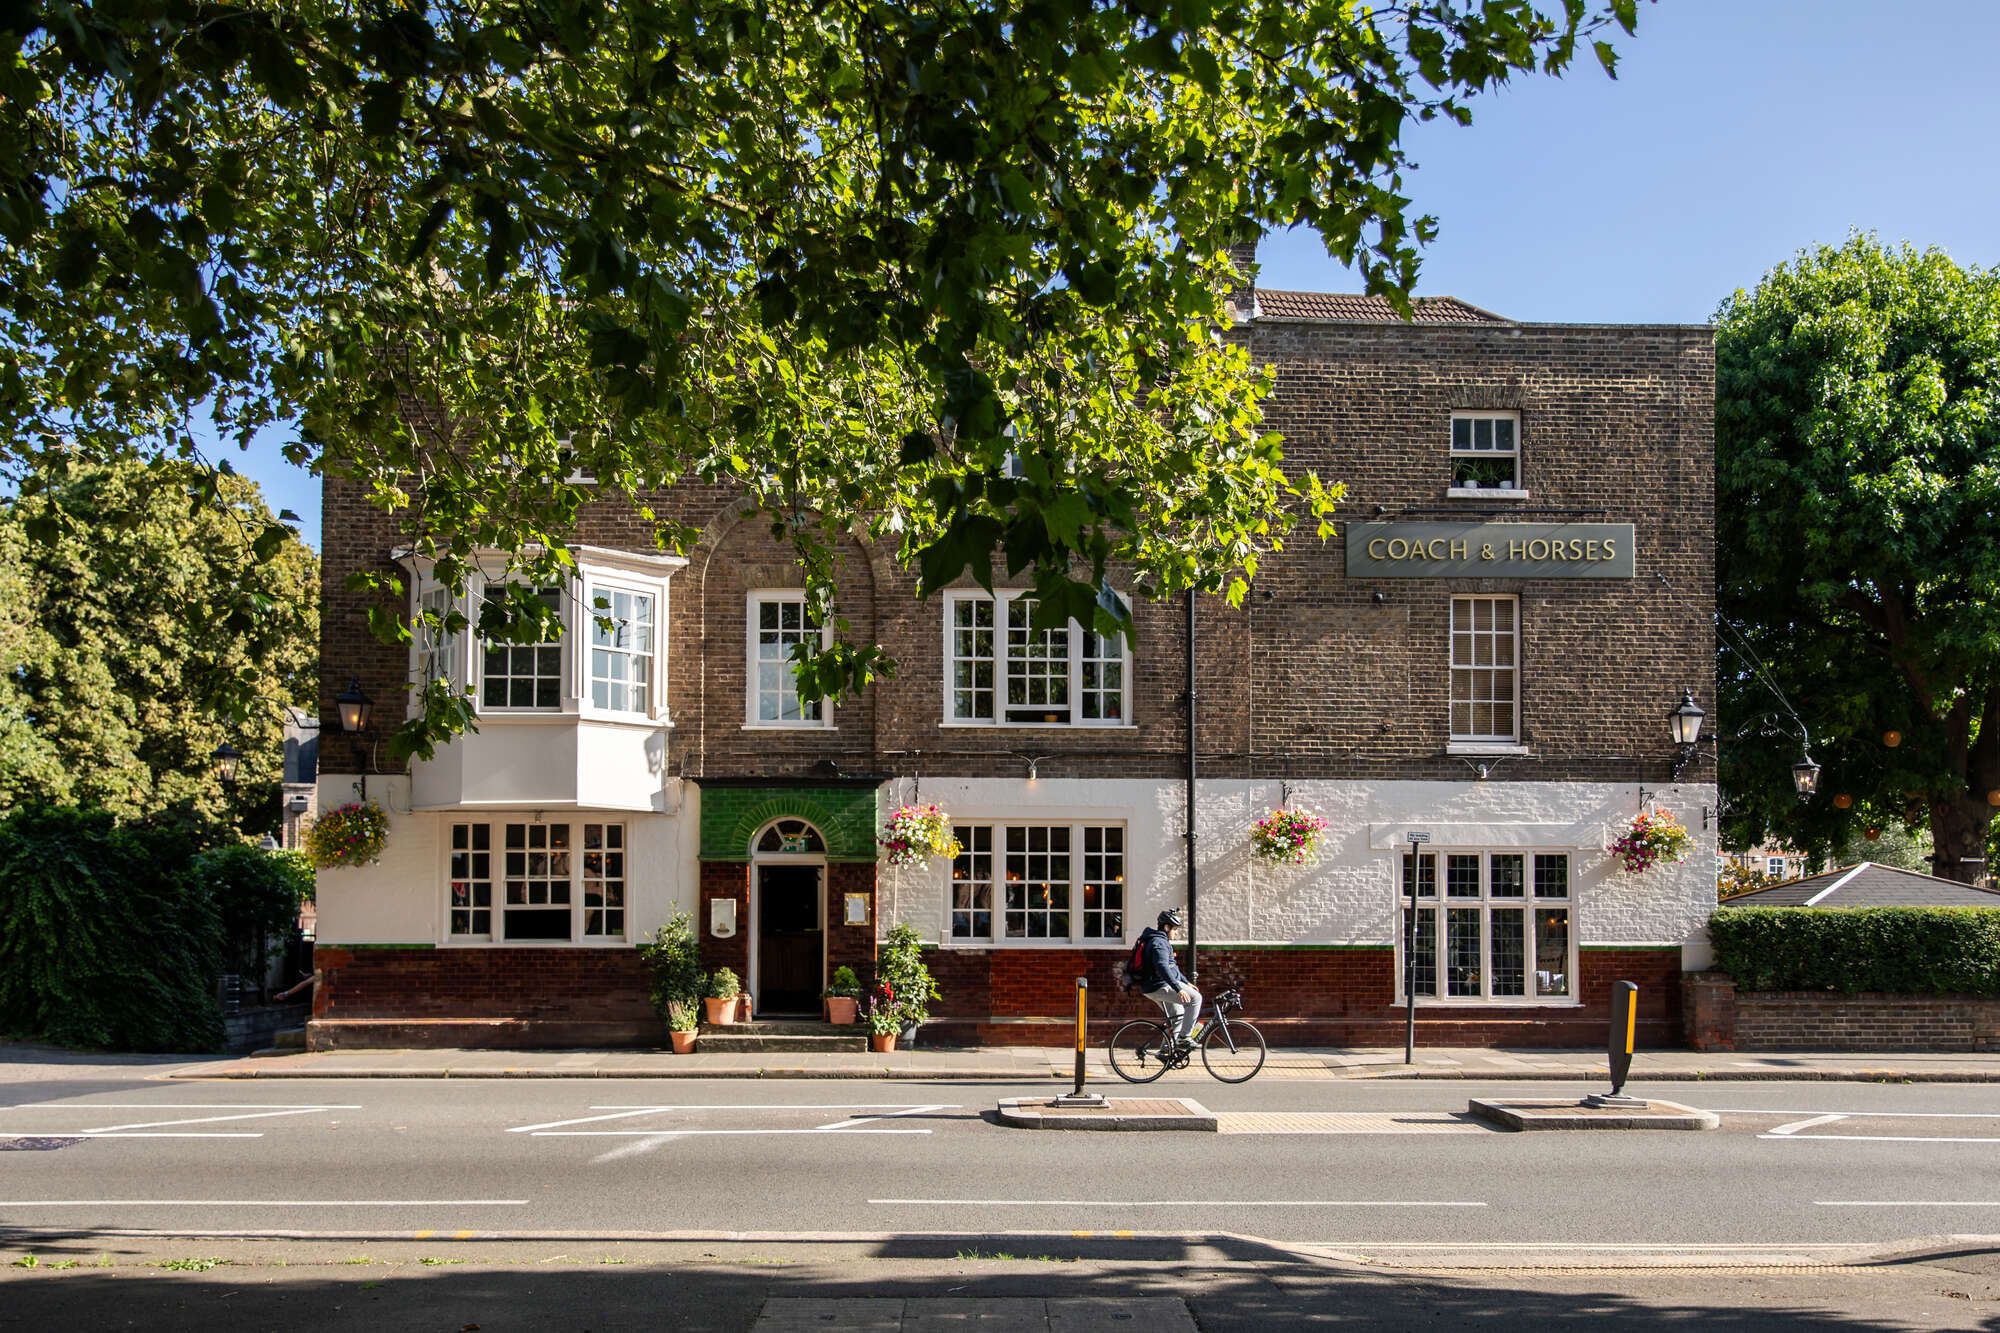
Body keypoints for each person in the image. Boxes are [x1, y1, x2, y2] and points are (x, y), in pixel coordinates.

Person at [1137, 908, 1201, 1057]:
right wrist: (1178, 988)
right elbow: (1162, 967)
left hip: (1156, 985)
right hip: (1158, 986)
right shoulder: (1159, 943)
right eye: (1174, 929)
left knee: (1178, 1013)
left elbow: (1172, 966)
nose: (1176, 933)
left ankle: (1166, 1051)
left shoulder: (1162, 941)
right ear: (1166, 927)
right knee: (1196, 999)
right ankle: (1184, 1038)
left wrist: (1186, 982)